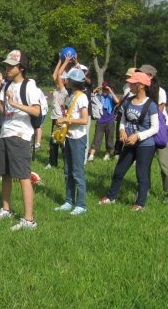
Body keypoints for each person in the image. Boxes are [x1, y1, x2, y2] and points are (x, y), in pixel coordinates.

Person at [0, 50, 41, 231]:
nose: (7, 68)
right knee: (5, 174)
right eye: (7, 65)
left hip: (20, 135)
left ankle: (29, 220)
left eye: (11, 66)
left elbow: (36, 111)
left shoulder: (30, 86)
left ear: (21, 67)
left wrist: (15, 104)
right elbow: (5, 112)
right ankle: (6, 209)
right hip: (5, 132)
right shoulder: (6, 86)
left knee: (23, 176)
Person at [100, 71, 159, 210]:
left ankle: (140, 203)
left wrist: (138, 136)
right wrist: (122, 130)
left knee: (141, 174)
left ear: (141, 86)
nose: (130, 84)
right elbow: (123, 119)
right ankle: (111, 197)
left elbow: (155, 128)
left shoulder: (151, 105)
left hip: (145, 145)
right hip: (129, 144)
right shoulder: (127, 101)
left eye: (133, 83)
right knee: (119, 171)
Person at [138, 64, 168, 202]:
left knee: (165, 164)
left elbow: (157, 114)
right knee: (145, 162)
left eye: (142, 74)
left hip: (161, 130)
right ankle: (145, 189)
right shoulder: (140, 90)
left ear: (150, 76)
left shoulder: (160, 92)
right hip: (146, 129)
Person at [54, 68, 89, 215]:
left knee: (77, 172)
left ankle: (81, 204)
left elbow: (84, 119)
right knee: (67, 171)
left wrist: (66, 120)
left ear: (74, 82)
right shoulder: (71, 95)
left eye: (67, 79)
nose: (65, 80)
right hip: (68, 137)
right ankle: (69, 201)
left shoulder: (82, 97)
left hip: (78, 139)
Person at [46, 55, 72, 169]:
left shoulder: (63, 91)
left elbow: (57, 74)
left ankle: (67, 164)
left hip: (61, 119)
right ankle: (52, 163)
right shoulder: (57, 89)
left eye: (61, 78)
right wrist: (59, 61)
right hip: (54, 118)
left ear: (65, 81)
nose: (58, 78)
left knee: (61, 142)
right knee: (54, 142)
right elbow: (54, 75)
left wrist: (65, 62)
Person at [88, 82, 120, 161]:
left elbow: (117, 101)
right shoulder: (99, 97)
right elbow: (90, 96)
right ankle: (91, 155)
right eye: (103, 89)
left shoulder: (111, 98)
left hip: (110, 121)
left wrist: (110, 91)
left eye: (106, 90)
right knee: (97, 138)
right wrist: (95, 90)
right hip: (100, 121)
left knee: (109, 139)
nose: (105, 91)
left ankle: (107, 154)